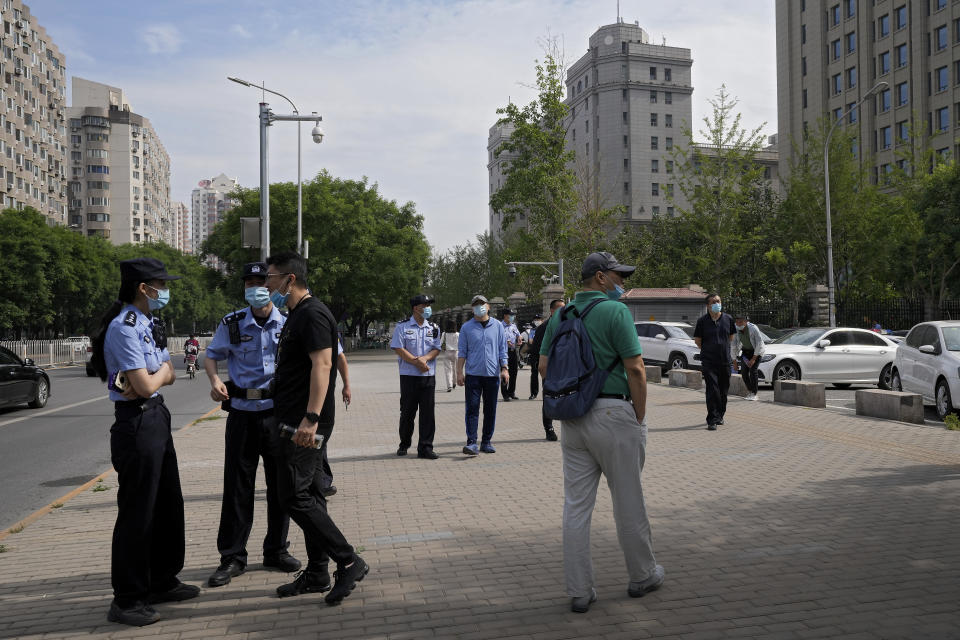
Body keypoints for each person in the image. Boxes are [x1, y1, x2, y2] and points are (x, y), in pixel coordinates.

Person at [538, 251, 663, 614]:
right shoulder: (616, 312)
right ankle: (642, 575)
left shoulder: (561, 314)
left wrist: (575, 395)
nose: (622, 282)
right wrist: (637, 414)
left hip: (573, 420)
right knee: (628, 500)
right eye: (618, 276)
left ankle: (579, 590)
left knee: (576, 506)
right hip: (614, 412)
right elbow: (636, 369)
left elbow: (545, 366)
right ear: (600, 278)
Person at [91, 257, 199, 627]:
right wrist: (165, 373)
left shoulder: (149, 322)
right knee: (138, 512)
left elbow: (159, 374)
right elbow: (147, 383)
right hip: (136, 424)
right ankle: (128, 598)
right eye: (161, 284)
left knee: (168, 503)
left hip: (155, 416)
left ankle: (161, 580)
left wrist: (161, 375)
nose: (165, 291)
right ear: (143, 288)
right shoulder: (124, 328)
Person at [264, 252, 368, 604]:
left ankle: (348, 560)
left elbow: (324, 365)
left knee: (294, 496)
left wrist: (310, 418)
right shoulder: (298, 314)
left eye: (271, 277)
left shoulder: (312, 314)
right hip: (293, 417)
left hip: (304, 422)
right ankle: (318, 571)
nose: (267, 285)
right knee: (310, 494)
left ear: (289, 279)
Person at [203, 262, 300, 588]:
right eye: (250, 282)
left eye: (262, 281)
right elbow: (211, 355)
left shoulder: (287, 323)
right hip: (242, 414)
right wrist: (215, 380)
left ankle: (276, 549)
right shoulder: (231, 324)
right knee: (237, 488)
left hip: (275, 414)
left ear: (272, 286)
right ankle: (232, 557)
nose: (256, 287)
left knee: (280, 487)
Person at [390, 294, 442, 459]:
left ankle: (425, 447)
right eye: (424, 304)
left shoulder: (433, 327)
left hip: (428, 375)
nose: (427, 307)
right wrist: (415, 362)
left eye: (428, 304)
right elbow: (398, 348)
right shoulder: (402, 327)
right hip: (409, 376)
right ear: (415, 308)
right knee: (407, 412)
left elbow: (436, 348)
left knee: (428, 413)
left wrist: (425, 359)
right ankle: (404, 443)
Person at [456, 294, 508, 455]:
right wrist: (459, 372)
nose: (480, 307)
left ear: (488, 306)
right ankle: (472, 442)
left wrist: (505, 369)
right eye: (476, 305)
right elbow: (462, 352)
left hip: (492, 376)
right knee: (472, 409)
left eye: (482, 304)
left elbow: (502, 349)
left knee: (490, 409)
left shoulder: (498, 326)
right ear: (472, 308)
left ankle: (486, 441)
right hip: (473, 375)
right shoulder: (466, 328)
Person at [694, 293, 736, 430]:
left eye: (718, 301)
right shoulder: (702, 321)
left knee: (723, 390)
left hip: (725, 361)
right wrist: (709, 350)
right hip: (709, 362)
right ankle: (711, 419)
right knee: (712, 390)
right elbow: (698, 341)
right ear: (708, 305)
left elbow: (730, 337)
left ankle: (720, 415)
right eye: (713, 302)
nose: (716, 303)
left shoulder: (728, 319)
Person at [315, 340, 351, 498]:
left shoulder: (324, 327)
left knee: (319, 439)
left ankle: (322, 482)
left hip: (321, 394)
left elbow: (340, 357)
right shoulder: (289, 325)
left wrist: (346, 385)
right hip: (294, 394)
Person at [530, 300, 565, 440]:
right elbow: (537, 350)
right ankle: (548, 428)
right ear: (552, 311)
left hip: (565, 370)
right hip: (549, 370)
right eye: (561, 309)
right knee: (549, 399)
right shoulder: (544, 327)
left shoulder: (567, 323)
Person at [731, 313, 765, 402]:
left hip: (756, 352)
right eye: (737, 322)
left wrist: (754, 359)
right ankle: (750, 391)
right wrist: (734, 361)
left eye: (741, 322)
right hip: (746, 352)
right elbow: (733, 345)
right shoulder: (734, 328)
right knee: (744, 373)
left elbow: (759, 343)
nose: (739, 324)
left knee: (753, 371)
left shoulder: (753, 328)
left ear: (746, 321)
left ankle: (755, 393)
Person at [500, 308, 522, 401]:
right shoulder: (499, 326)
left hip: (513, 351)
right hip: (504, 352)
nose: (513, 317)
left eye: (513, 315)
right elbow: (497, 339)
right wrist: (506, 342)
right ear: (505, 315)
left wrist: (519, 338)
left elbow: (518, 334)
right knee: (505, 372)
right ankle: (505, 394)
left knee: (514, 372)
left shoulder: (513, 326)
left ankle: (511, 392)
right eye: (511, 315)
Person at [525, 314, 543, 400]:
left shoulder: (545, 329)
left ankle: (546, 392)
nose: (537, 321)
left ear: (542, 320)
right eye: (535, 319)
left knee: (545, 373)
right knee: (534, 373)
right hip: (535, 353)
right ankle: (533, 393)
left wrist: (536, 340)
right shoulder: (532, 330)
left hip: (544, 353)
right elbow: (530, 341)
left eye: (538, 319)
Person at [439, 319, 459, 392]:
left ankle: (449, 385)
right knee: (455, 369)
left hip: (447, 352)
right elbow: (461, 344)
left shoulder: (444, 334)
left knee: (448, 370)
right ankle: (454, 382)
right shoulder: (457, 334)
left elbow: (440, 343)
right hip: (456, 352)